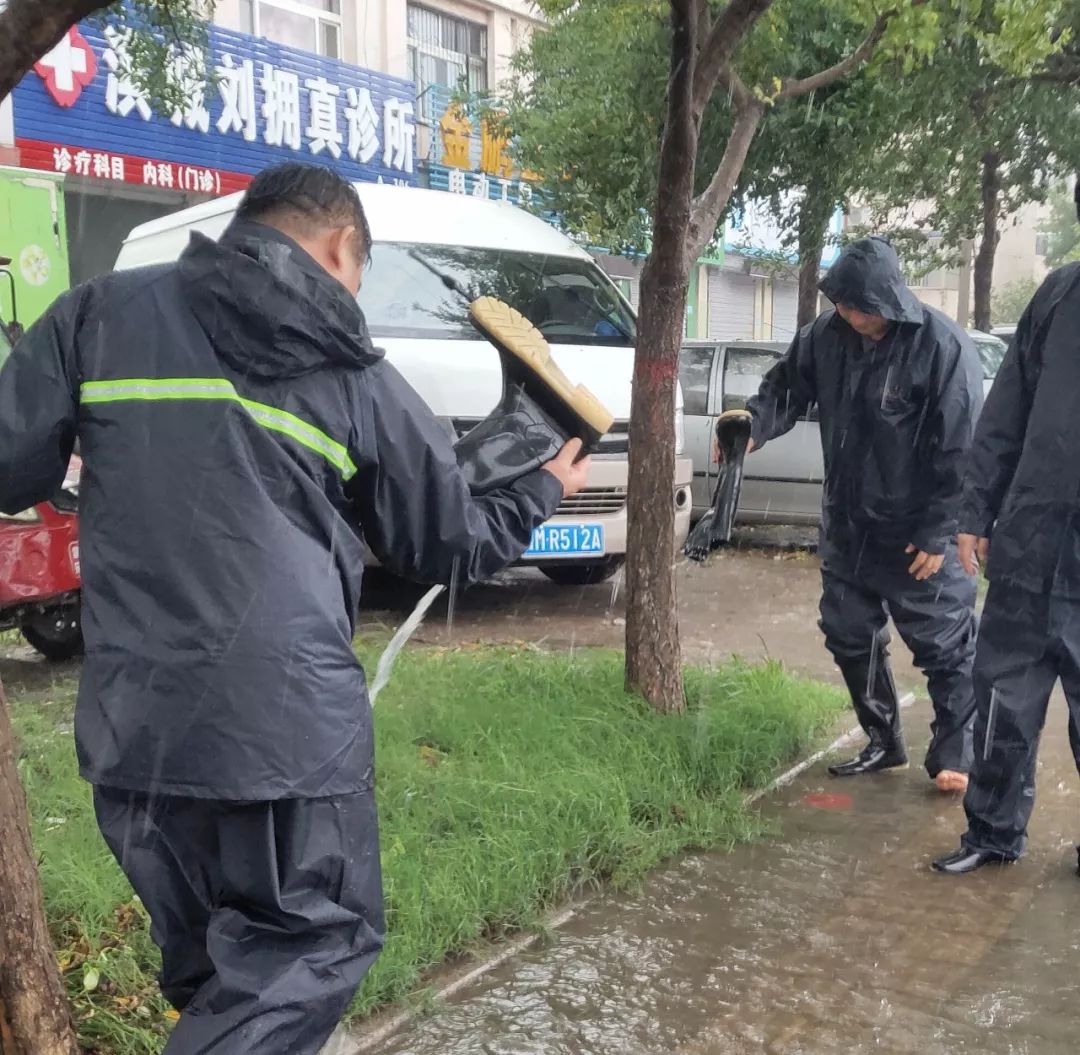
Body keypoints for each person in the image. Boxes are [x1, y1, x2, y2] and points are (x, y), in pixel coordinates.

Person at [0, 162, 588, 1053]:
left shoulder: (97, 313)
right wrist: (539, 484)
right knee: (313, 943)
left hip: (136, 740)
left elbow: (11, 463)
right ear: (341, 246)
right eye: (359, 273)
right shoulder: (353, 371)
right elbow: (449, 543)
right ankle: (533, 431)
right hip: (285, 747)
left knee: (216, 977)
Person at [736, 236, 984, 791]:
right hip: (849, 526)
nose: (849, 316)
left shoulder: (941, 346)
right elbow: (784, 389)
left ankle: (956, 756)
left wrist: (937, 531)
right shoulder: (825, 338)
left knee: (945, 646)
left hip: (919, 532)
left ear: (889, 300)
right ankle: (882, 739)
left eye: (860, 307)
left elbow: (961, 447)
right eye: (841, 305)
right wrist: (752, 426)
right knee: (848, 632)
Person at [933, 184, 1080, 875]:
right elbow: (1005, 415)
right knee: (1003, 701)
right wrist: (975, 512)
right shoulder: (1057, 297)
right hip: (1029, 543)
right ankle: (991, 831)